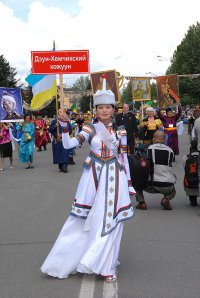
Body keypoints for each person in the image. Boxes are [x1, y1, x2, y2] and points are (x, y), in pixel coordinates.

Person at [41, 76, 135, 282]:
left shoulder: (120, 131)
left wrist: (129, 183)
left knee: (112, 220)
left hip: (115, 177)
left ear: (113, 109)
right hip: (92, 177)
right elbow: (68, 145)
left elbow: (123, 157)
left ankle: (107, 264)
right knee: (82, 219)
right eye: (100, 107)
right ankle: (70, 259)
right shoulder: (89, 128)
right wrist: (65, 127)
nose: (104, 111)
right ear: (96, 109)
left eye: (108, 107)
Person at [136, 130, 176, 210]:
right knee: (173, 191)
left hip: (150, 185)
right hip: (167, 185)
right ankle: (166, 199)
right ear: (164, 140)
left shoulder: (148, 149)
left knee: (137, 183)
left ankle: (142, 203)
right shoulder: (171, 151)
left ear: (153, 139)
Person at [183, 139, 199, 206]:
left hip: (190, 182)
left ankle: (192, 198)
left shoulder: (186, 158)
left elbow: (185, 168)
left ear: (190, 147)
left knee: (185, 176)